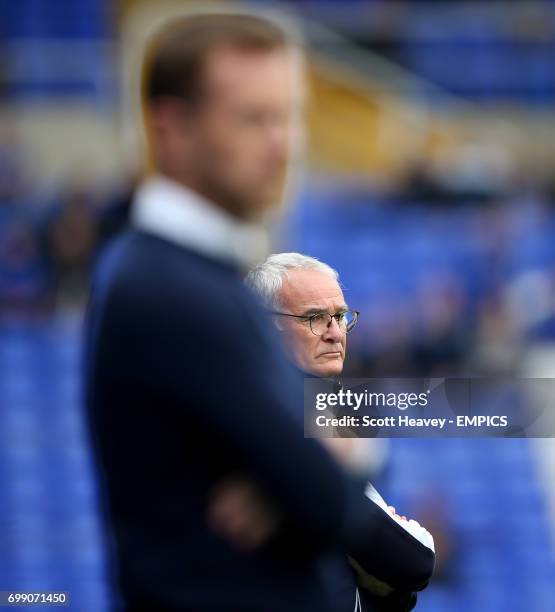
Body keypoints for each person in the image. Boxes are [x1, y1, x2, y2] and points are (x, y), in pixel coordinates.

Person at [85, 13, 434, 612]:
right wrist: (325, 466)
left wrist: (326, 462)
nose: (283, 144)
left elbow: (344, 504)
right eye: (252, 118)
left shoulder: (194, 274)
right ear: (171, 129)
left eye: (289, 116)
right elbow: (328, 502)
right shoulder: (169, 287)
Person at [243, 252, 435, 611]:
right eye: (315, 318)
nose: (335, 333)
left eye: (340, 317)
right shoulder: (275, 414)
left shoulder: (315, 410)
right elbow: (414, 558)